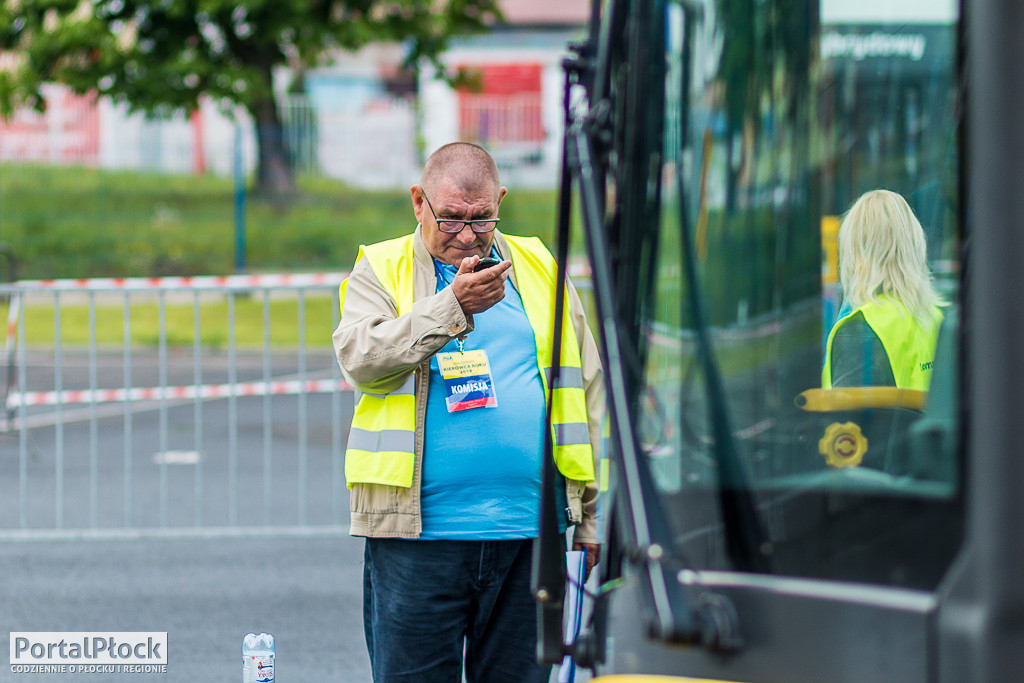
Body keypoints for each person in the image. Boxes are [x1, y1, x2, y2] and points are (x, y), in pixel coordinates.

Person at [332, 142, 603, 683]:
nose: (465, 233)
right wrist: (451, 306)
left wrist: (591, 514)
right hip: (418, 541)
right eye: (451, 218)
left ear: (500, 200)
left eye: (482, 219)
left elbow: (588, 389)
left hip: (530, 536)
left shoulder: (538, 264)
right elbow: (362, 360)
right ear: (418, 202)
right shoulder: (382, 267)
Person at [822, 189, 945, 390]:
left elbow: (849, 419)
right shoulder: (939, 319)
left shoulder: (857, 330)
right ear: (914, 246)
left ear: (855, 253)